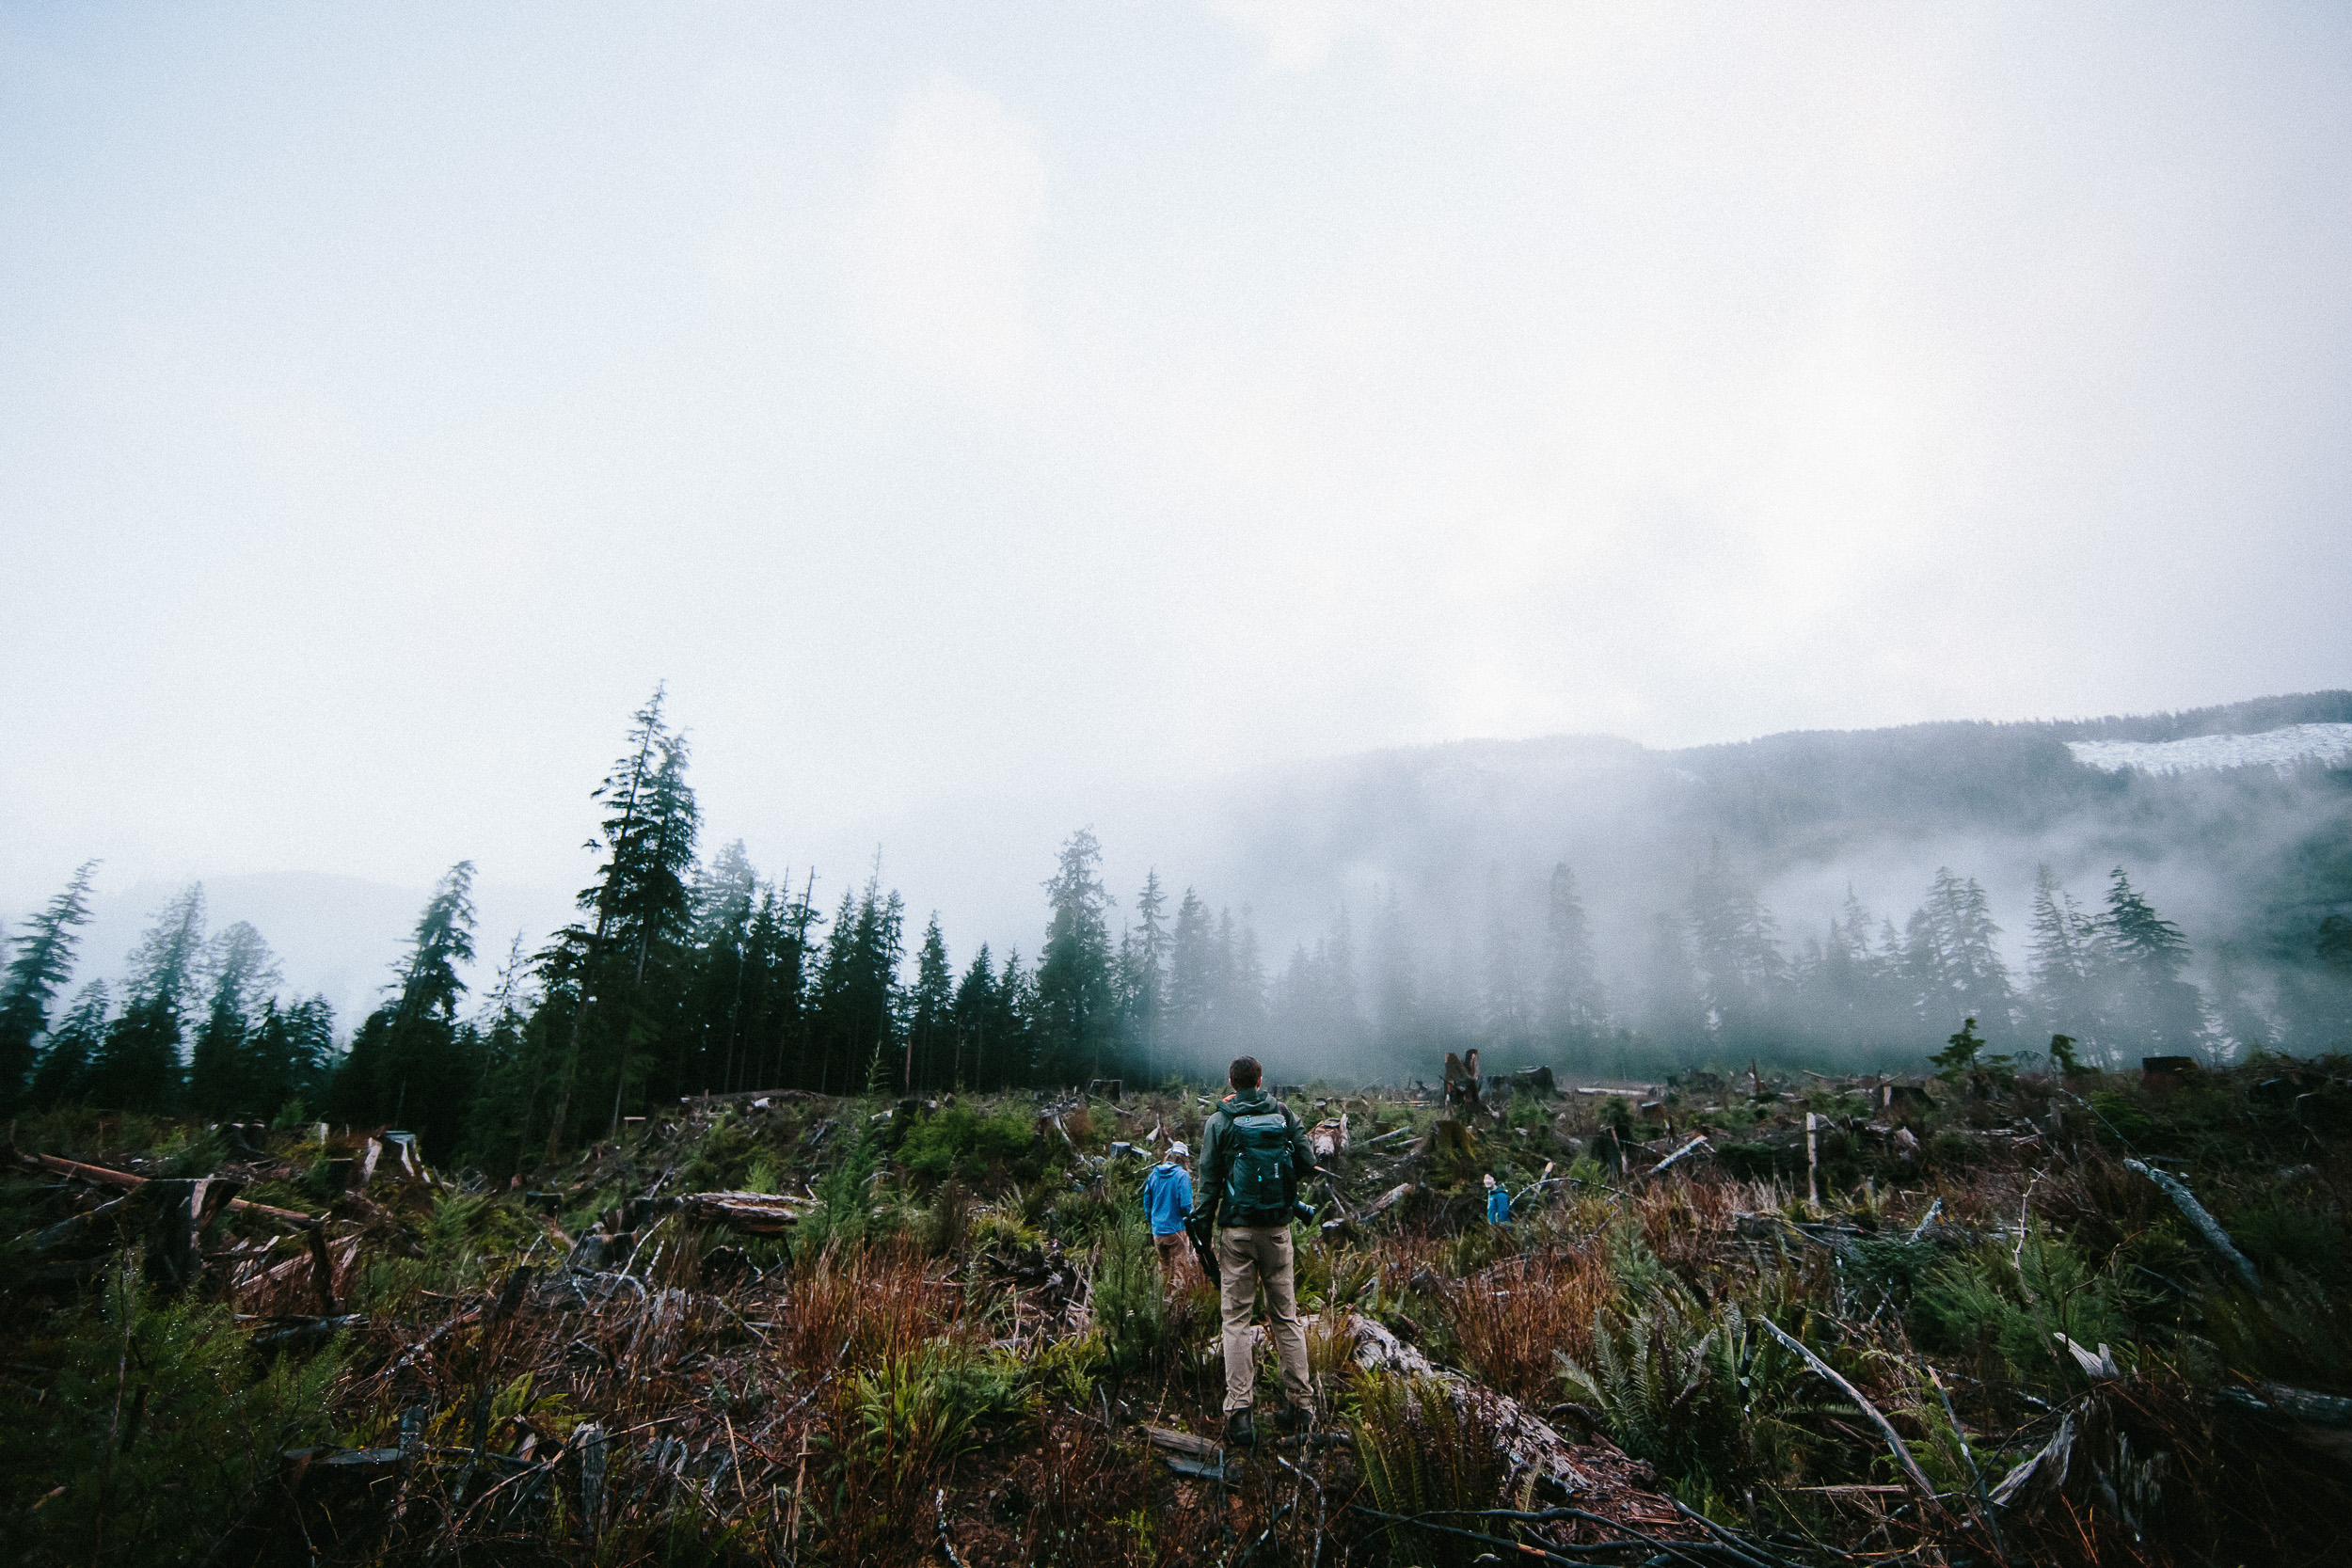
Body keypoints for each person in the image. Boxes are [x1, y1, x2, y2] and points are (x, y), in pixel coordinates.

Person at [1191, 1054, 1315, 1445]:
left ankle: (1240, 1413)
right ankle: (1301, 1406)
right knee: (1286, 1318)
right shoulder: (1282, 1113)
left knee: (1236, 1321)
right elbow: (1308, 1162)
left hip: (1237, 1234)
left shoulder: (1219, 1121)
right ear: (1259, 1080)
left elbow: (1209, 1180)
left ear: (1232, 1081)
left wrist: (1202, 1227)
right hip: (1278, 1230)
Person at [1143, 1141, 1195, 1286]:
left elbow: (1147, 1203)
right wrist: (1191, 1225)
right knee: (1180, 1268)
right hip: (1176, 1230)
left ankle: (1161, 1301)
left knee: (1164, 1268)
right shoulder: (1181, 1175)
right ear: (1184, 1159)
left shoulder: (1154, 1173)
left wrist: (1153, 1222)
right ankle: (1178, 1303)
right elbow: (1186, 1206)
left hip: (1158, 1231)